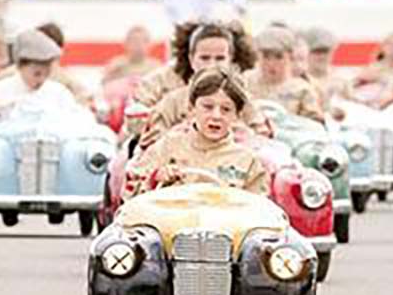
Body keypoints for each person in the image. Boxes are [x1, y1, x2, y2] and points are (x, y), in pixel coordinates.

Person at [123, 66, 269, 201]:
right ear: (191, 108)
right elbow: (129, 197)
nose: (216, 116)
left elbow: (259, 210)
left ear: (237, 115)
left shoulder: (248, 162)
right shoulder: (166, 147)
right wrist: (155, 179)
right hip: (170, 225)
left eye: (226, 109)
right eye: (208, 107)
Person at [0, 29, 79, 125]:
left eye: (47, 74)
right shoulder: (0, 89)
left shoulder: (58, 93)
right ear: (20, 66)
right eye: (36, 74)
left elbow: (78, 119)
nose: (41, 79)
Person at [133, 20, 256, 110]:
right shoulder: (160, 82)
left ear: (231, 59)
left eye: (220, 58)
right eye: (204, 58)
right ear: (191, 58)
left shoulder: (244, 88)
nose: (211, 65)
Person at [243, 25, 325, 122]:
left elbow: (314, 125)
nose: (271, 63)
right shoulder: (245, 83)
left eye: (279, 57)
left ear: (290, 57)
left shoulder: (302, 90)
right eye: (266, 56)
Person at [300, 26, 353, 113]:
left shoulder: (342, 79)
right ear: (306, 53)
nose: (322, 56)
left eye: (325, 51)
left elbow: (351, 107)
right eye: (317, 51)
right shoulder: (299, 80)